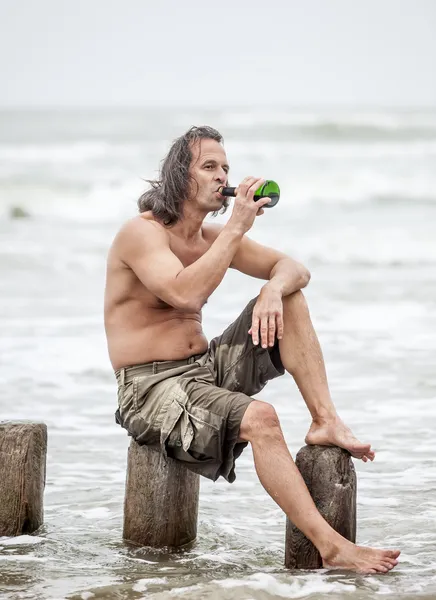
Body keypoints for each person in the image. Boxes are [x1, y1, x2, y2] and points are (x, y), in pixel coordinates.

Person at [104, 125, 400, 573]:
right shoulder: (142, 234)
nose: (222, 176)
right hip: (149, 388)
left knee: (290, 296)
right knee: (261, 418)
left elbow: (294, 268)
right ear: (180, 177)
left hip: (202, 370)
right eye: (209, 167)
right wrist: (237, 225)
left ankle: (326, 421)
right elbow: (184, 295)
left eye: (225, 167)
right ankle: (331, 546)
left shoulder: (210, 237)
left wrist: (271, 290)